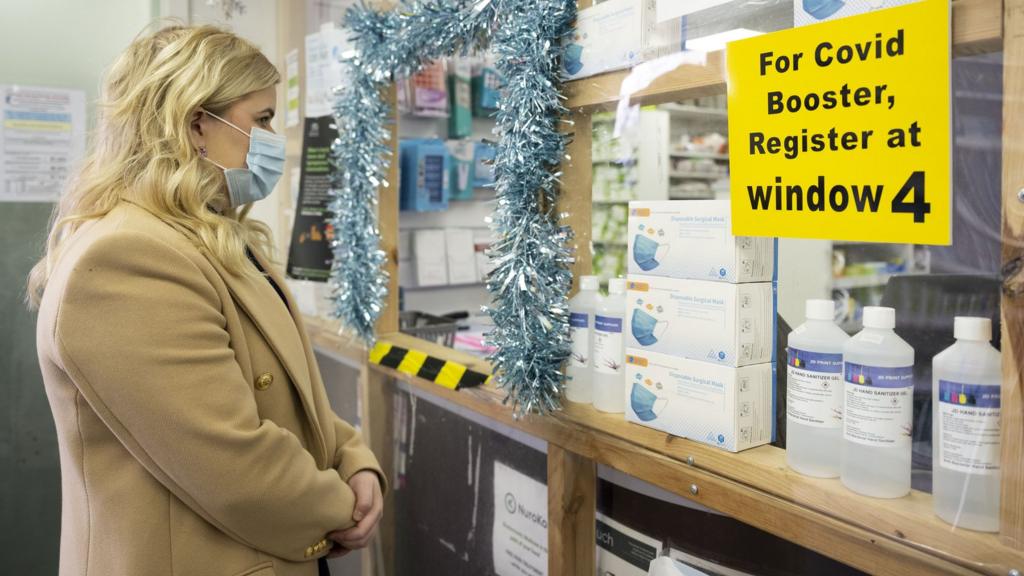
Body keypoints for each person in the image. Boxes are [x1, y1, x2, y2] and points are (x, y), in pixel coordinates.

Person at [26, 25, 384, 576]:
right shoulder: (129, 258)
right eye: (261, 119)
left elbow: (292, 396)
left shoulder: (210, 236)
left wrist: (355, 461)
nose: (273, 137)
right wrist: (341, 506)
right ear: (196, 124)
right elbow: (234, 465)